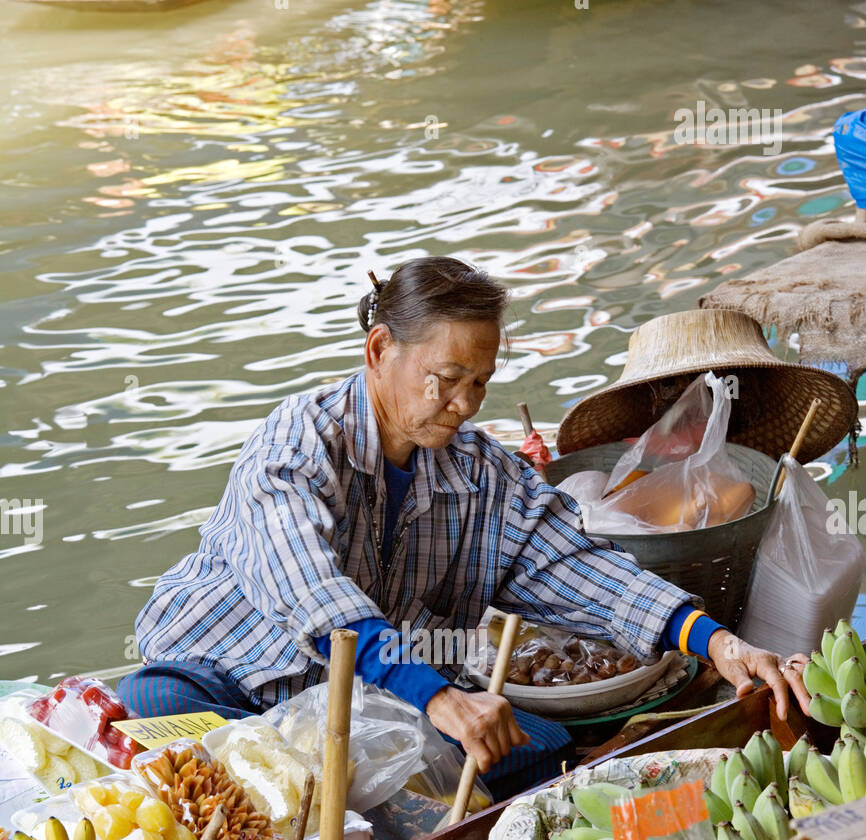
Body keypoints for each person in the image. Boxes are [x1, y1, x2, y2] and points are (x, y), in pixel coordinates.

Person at [118, 257, 810, 803]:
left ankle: (351, 789)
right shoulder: (297, 442)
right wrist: (439, 698)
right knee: (153, 710)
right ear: (380, 348)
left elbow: (573, 564)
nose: (463, 403)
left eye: (480, 382)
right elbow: (312, 595)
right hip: (234, 674)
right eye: (447, 378)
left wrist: (713, 640)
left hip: (363, 701)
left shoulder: (479, 469)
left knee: (536, 744)